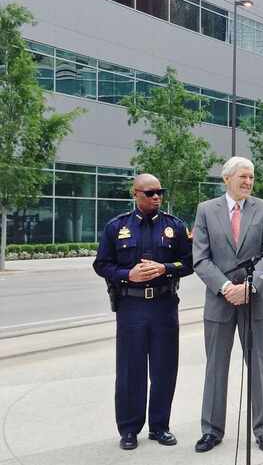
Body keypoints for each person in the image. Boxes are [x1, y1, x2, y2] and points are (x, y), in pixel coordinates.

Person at [93, 173, 193, 450]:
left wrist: (165, 268)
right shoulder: (117, 227)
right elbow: (102, 264)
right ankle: (128, 429)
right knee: (130, 371)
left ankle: (160, 427)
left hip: (164, 306)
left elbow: (189, 262)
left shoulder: (174, 226)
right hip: (131, 307)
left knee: (164, 369)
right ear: (135, 194)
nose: (156, 197)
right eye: (150, 193)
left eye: (160, 192)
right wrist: (128, 275)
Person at [191, 157, 263, 453]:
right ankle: (211, 431)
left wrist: (250, 288)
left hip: (255, 300)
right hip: (219, 301)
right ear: (226, 178)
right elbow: (200, 259)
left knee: (259, 367)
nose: (248, 182)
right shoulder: (206, 210)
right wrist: (227, 287)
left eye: (251, 177)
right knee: (216, 367)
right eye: (243, 176)